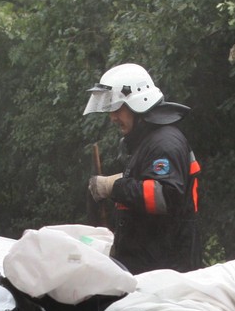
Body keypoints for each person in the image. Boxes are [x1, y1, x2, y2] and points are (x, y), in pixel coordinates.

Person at [84, 63, 200, 273]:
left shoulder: (164, 143)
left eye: (117, 108)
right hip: (147, 267)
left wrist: (115, 187)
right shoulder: (151, 141)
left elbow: (166, 195)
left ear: (138, 103)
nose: (112, 117)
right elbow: (150, 183)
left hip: (163, 274)